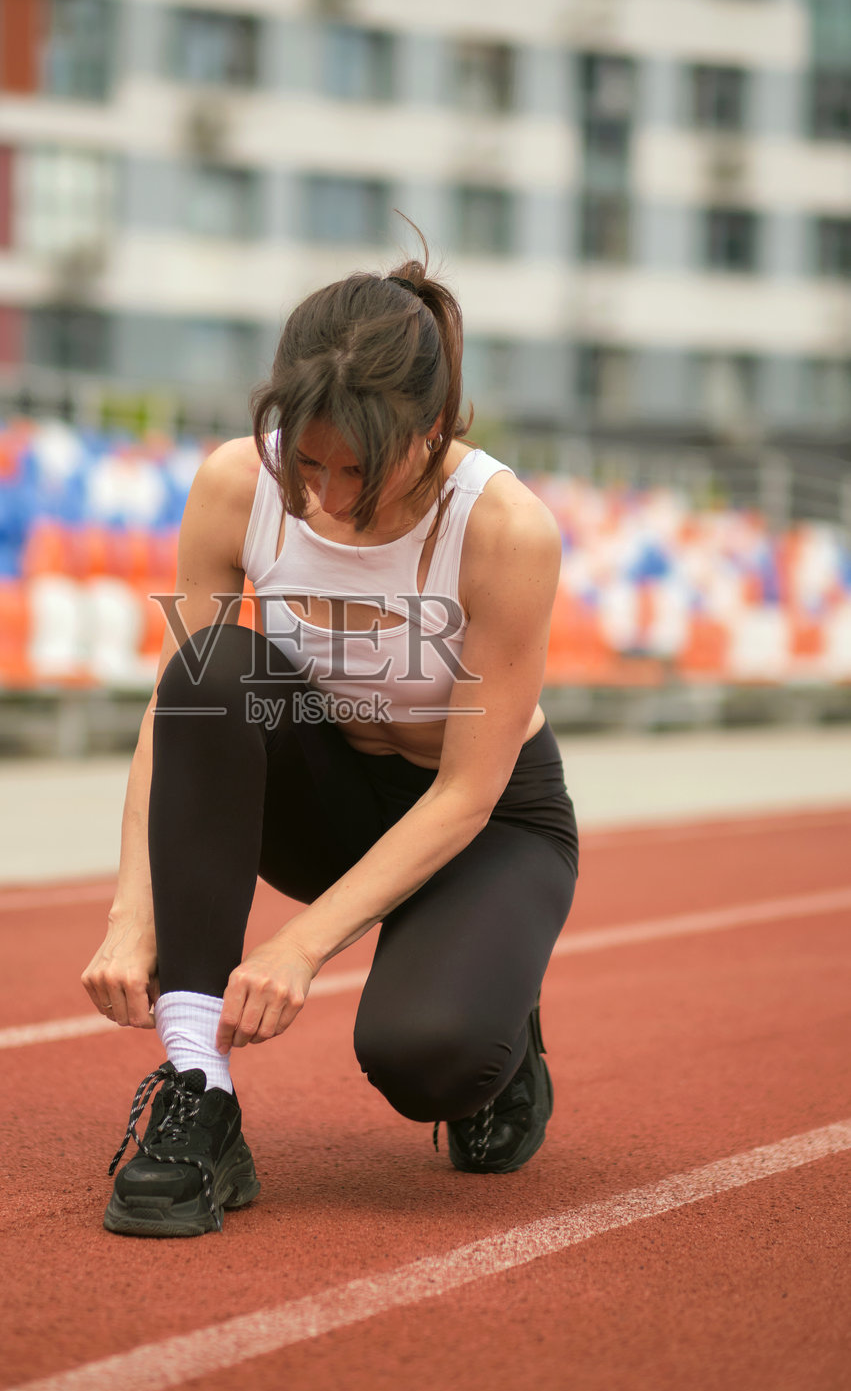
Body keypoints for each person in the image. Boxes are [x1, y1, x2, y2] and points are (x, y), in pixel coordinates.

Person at [81, 244, 579, 1238]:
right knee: (207, 667)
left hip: (479, 821)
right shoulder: (235, 484)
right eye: (305, 461)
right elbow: (174, 715)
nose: (324, 499)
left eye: (356, 468)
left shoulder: (502, 531)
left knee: (424, 1058)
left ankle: (496, 1025)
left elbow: (465, 797)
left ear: (428, 432)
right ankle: (197, 1092)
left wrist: (301, 945)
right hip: (325, 794)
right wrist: (130, 908)